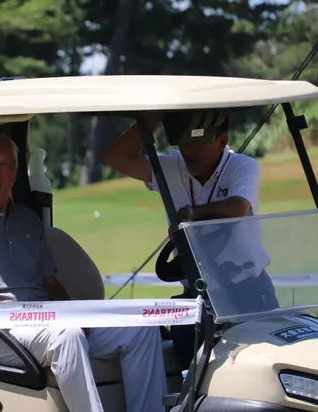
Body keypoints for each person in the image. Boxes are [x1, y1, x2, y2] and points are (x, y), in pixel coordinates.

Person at [0, 132, 168, 412]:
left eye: (3, 164)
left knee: (141, 329)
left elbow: (50, 282)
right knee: (67, 336)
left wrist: (72, 313)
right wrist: (23, 314)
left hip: (46, 324)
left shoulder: (28, 220)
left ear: (15, 172)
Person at [102, 112, 279, 366]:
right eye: (182, 142)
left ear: (222, 141)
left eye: (197, 143)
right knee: (190, 364)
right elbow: (115, 158)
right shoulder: (170, 166)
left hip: (248, 289)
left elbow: (238, 207)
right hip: (198, 294)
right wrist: (153, 119)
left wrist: (192, 214)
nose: (187, 150)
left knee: (260, 364)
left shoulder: (242, 166)